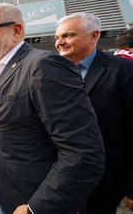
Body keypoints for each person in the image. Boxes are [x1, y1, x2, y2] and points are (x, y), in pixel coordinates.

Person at [0, 3, 105, 213]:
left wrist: (37, 208)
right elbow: (4, 105)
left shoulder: (43, 66)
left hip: (36, 197)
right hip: (8, 189)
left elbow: (83, 152)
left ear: (16, 30)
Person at [55, 12, 133, 213]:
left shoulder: (124, 69)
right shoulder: (53, 72)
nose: (60, 42)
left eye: (68, 36)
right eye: (57, 38)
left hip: (105, 180)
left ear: (93, 36)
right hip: (60, 177)